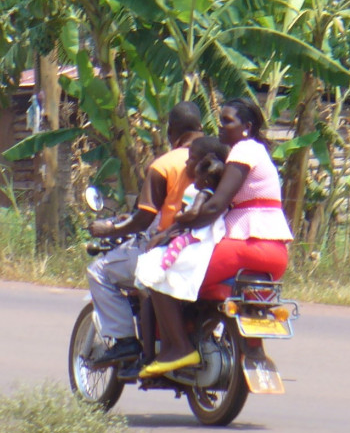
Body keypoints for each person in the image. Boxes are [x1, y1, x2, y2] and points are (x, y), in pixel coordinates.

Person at [139, 98, 293, 377]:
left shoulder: (243, 151)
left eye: (228, 121)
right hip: (275, 252)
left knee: (156, 270)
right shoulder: (258, 152)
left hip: (247, 246)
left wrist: (172, 230)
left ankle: (180, 349)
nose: (221, 127)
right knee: (190, 279)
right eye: (220, 120)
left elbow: (214, 206)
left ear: (247, 127)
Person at [86, 101, 205, 366]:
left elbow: (144, 219)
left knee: (99, 271)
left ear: (171, 130)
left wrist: (110, 229)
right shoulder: (222, 156)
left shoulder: (165, 165)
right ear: (201, 127)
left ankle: (126, 341)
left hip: (170, 245)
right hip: (212, 244)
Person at [134, 136, 230, 298]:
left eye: (191, 158)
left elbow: (191, 214)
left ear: (203, 165)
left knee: (162, 256)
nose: (186, 163)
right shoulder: (220, 192)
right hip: (203, 239)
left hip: (195, 238)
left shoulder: (201, 193)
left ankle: (161, 270)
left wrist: (178, 218)